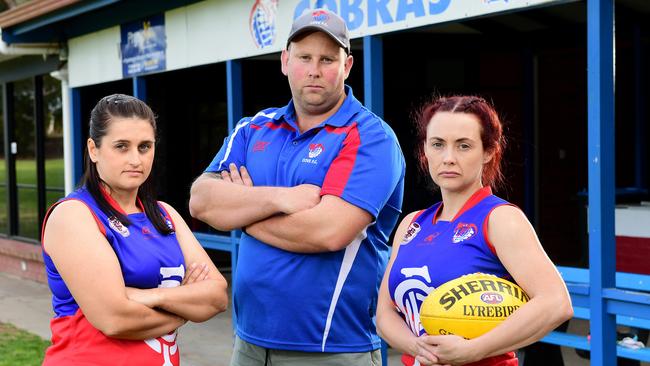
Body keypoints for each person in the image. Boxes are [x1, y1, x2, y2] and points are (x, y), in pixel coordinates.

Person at [189, 8, 405, 366]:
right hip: (248, 343)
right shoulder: (253, 128)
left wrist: (240, 211)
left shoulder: (370, 137)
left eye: (327, 59)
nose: (314, 69)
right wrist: (282, 198)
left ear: (347, 66)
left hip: (333, 348)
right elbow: (201, 201)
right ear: (285, 61)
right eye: (304, 57)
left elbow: (327, 232)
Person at [376, 95, 573, 366]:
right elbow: (385, 314)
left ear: (489, 151)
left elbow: (556, 303)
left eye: (463, 146)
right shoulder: (412, 224)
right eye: (437, 144)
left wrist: (474, 350)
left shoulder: (500, 219)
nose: (448, 158)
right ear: (425, 150)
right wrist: (419, 347)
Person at [41, 94, 229, 366]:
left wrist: (150, 296)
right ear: (94, 149)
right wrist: (184, 309)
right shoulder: (74, 215)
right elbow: (115, 319)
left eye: (144, 147)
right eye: (121, 146)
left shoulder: (164, 214)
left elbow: (217, 296)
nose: (135, 159)